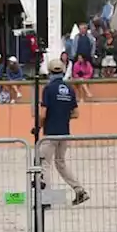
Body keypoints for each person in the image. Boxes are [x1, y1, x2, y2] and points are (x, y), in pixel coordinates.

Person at [38, 58, 89, 205]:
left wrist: (39, 126)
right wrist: (63, 115)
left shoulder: (48, 89)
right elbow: (76, 113)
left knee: (44, 164)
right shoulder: (69, 89)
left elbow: (43, 113)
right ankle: (79, 190)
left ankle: (46, 198)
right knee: (60, 163)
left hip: (51, 132)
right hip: (64, 131)